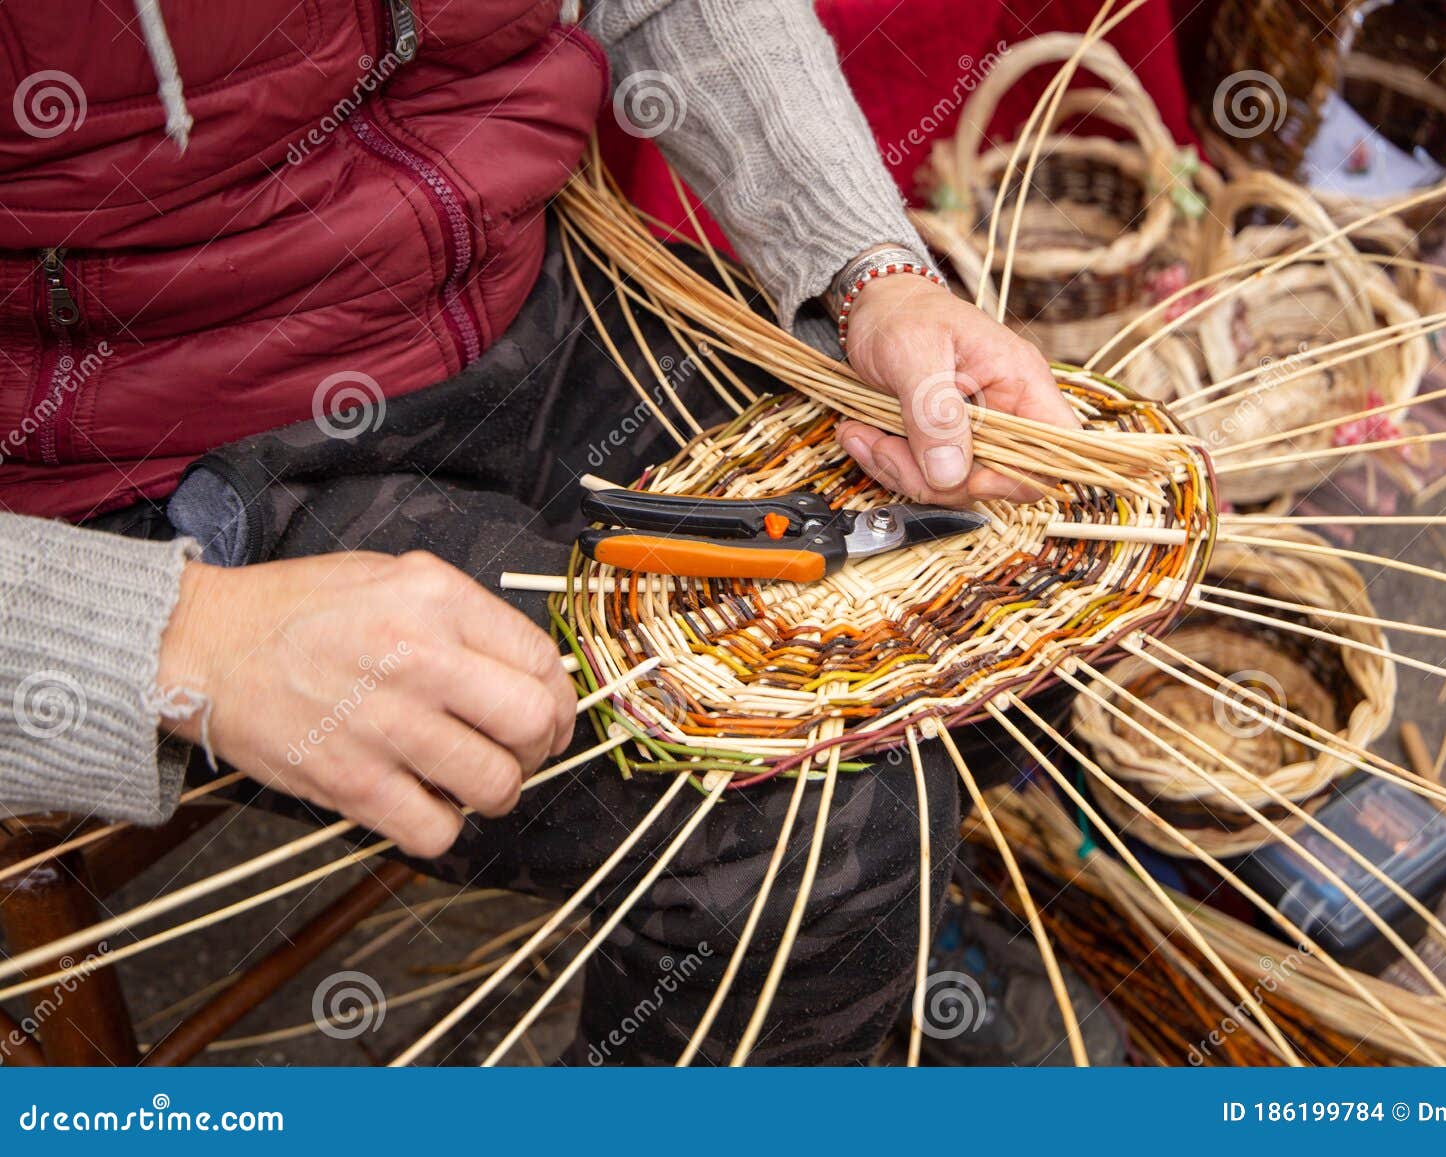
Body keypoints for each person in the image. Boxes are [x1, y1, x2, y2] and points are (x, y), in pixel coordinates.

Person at [0, 1, 1078, 1063]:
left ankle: (865, 948)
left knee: (1032, 561)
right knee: (819, 840)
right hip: (164, 470)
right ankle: (833, 934)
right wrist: (176, 638)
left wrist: (866, 271)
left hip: (527, 293)